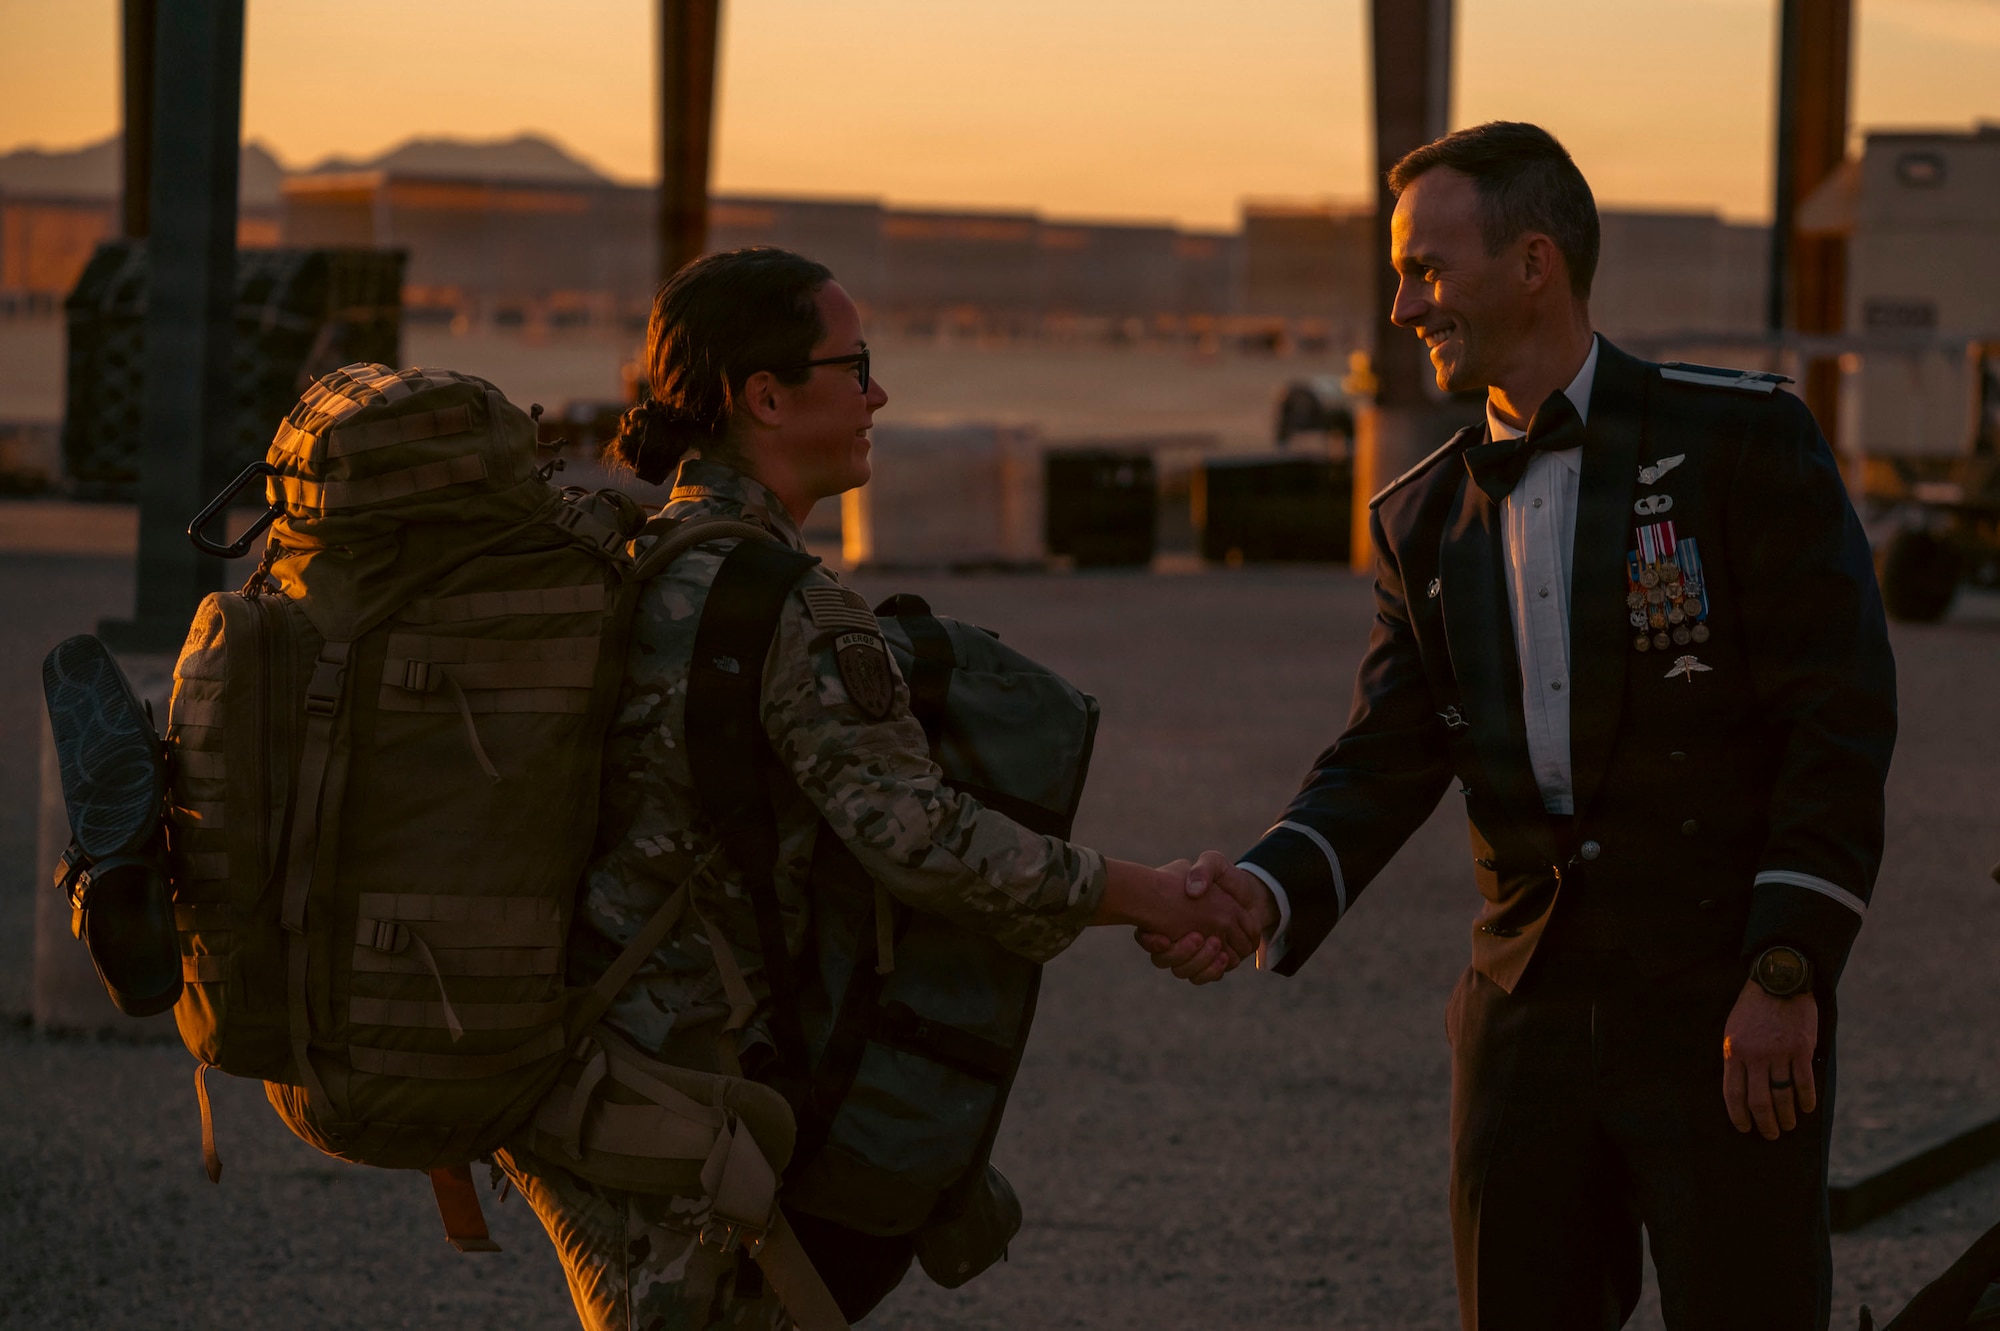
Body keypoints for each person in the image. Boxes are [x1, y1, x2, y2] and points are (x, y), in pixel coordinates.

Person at [1145, 122, 1896, 1329]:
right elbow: (1384, 754)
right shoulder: (1423, 514)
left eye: (1425, 270)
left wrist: (1786, 965)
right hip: (1519, 1020)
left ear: (1532, 262)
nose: (1401, 305)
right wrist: (1261, 889)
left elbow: (1836, 720)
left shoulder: (1739, 441)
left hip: (1719, 1002)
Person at [495, 246, 1260, 1331]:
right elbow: (926, 839)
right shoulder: (786, 607)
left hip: (602, 1075)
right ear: (763, 395)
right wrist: (1146, 892)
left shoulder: (644, 558)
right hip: (686, 1100)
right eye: (852, 364)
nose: (877, 393)